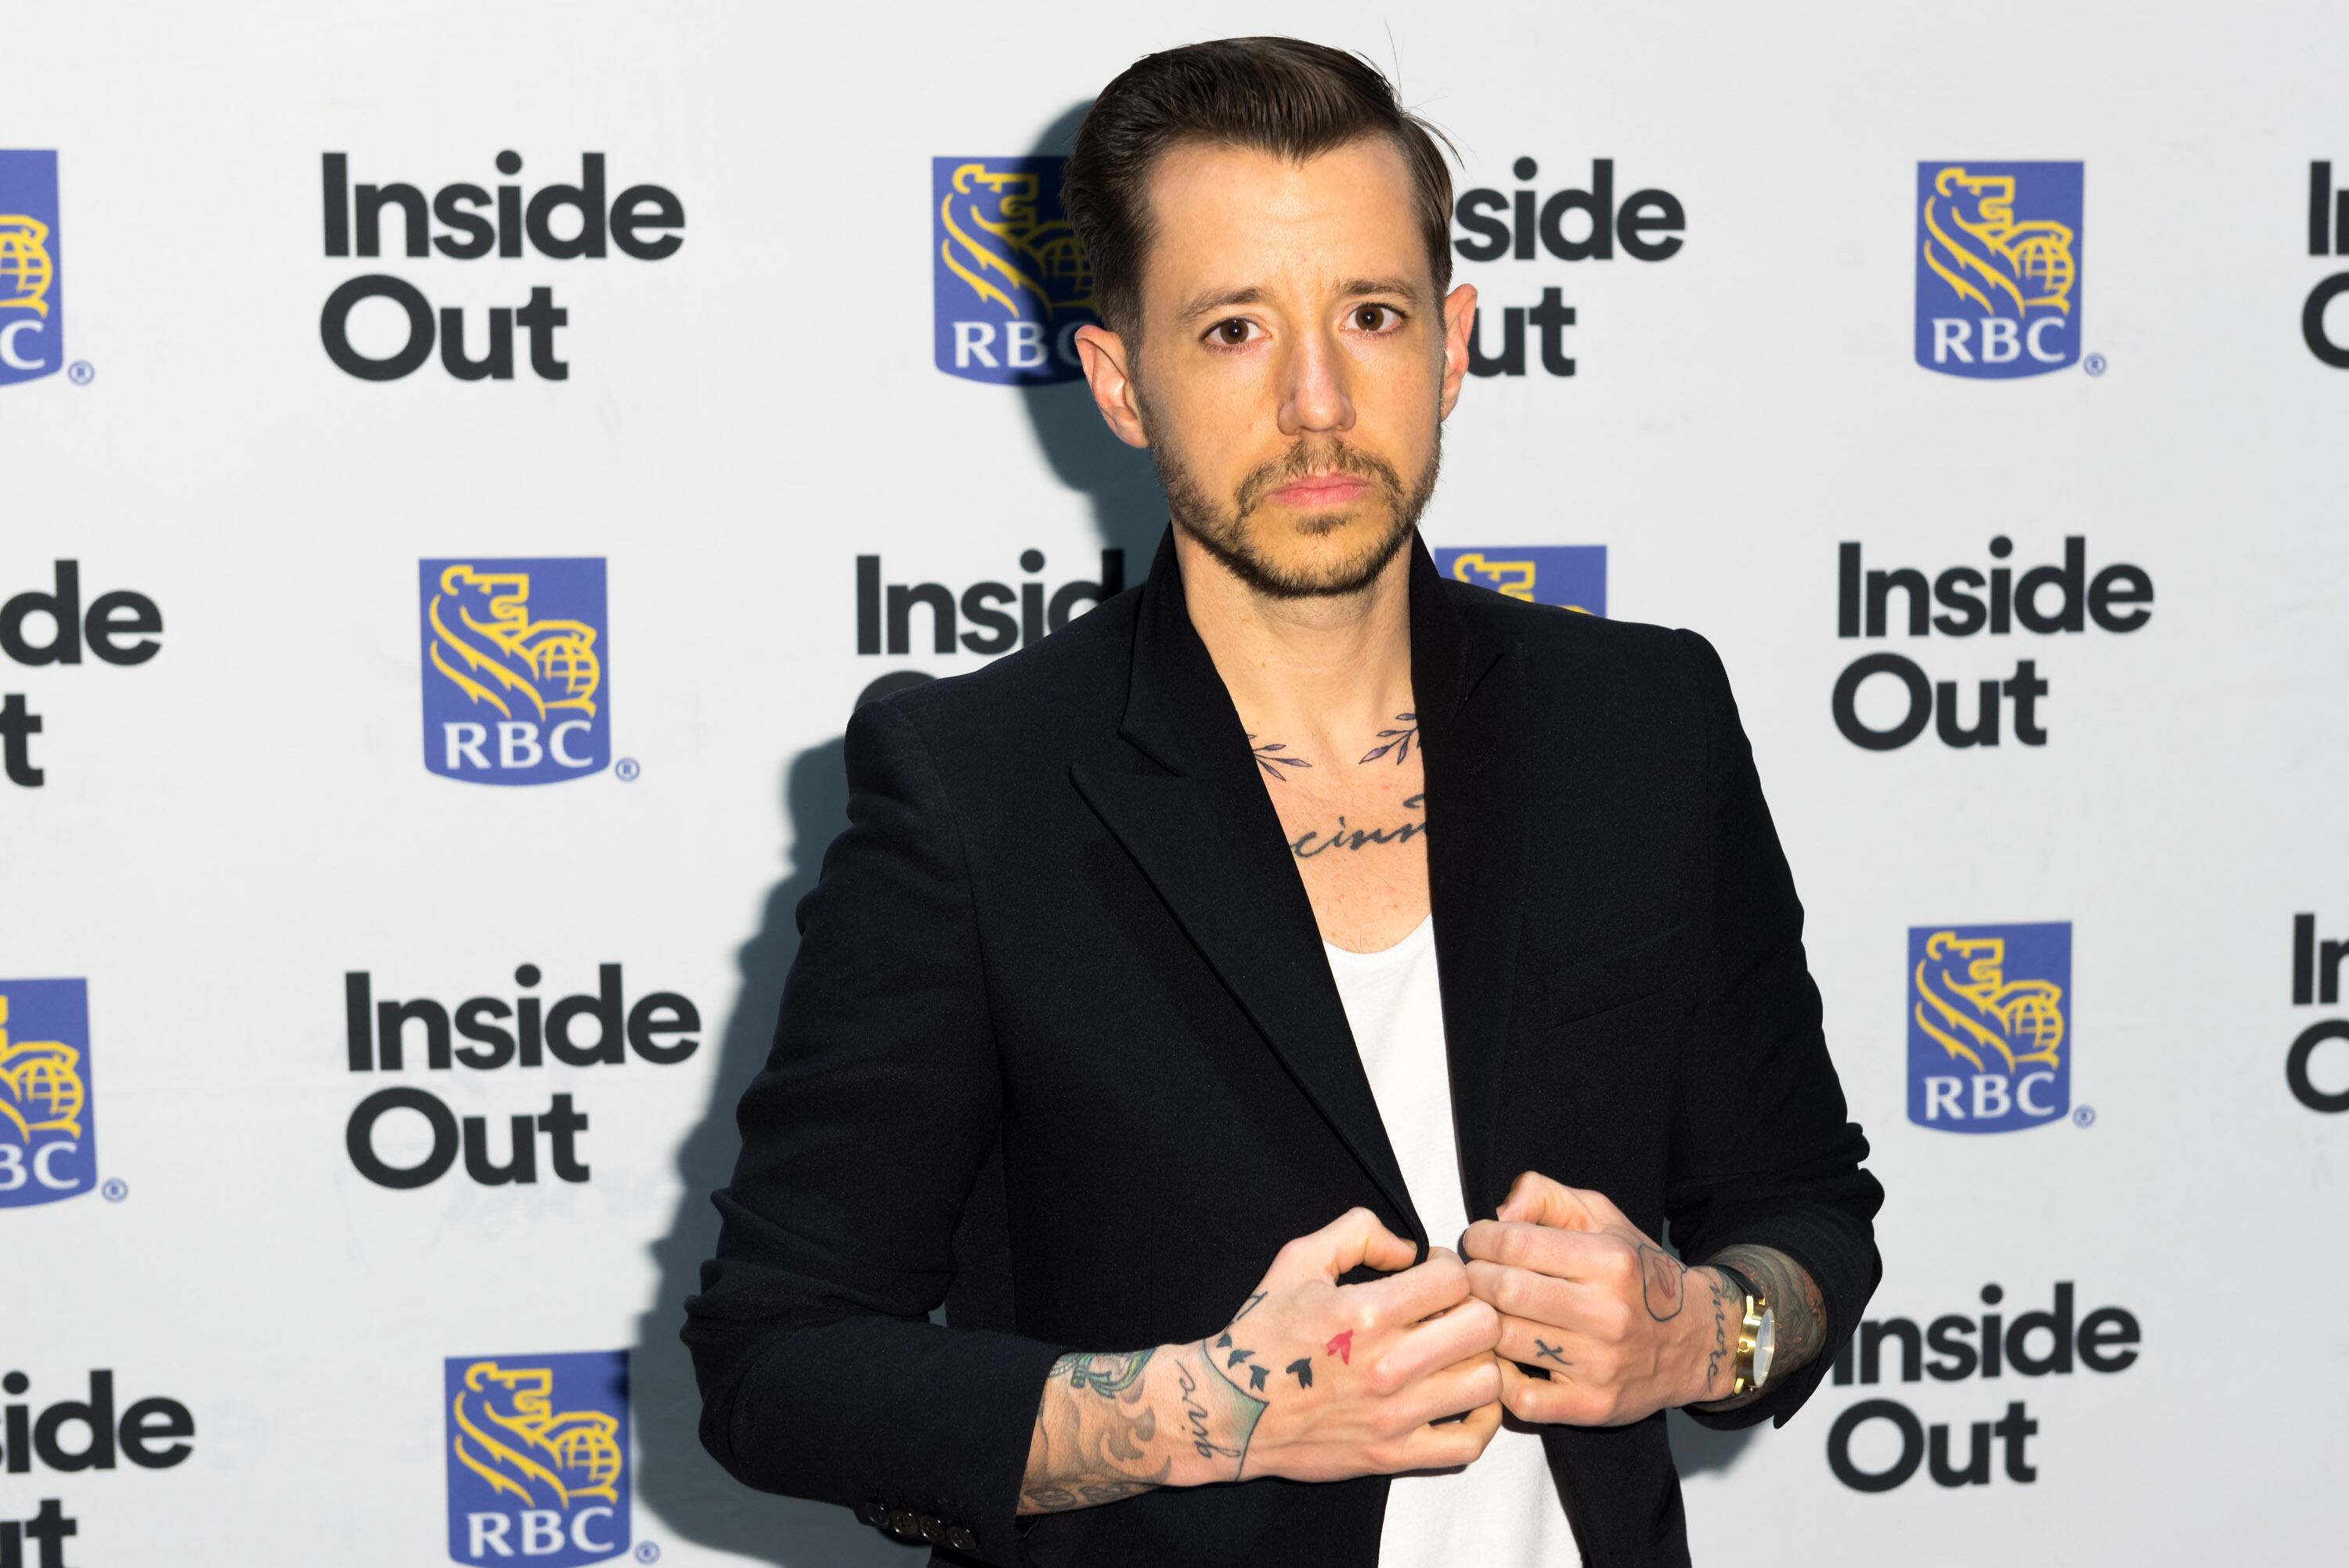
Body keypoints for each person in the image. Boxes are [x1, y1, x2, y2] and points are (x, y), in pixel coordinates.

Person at [683, 35, 1882, 1568]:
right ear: (1121, 381)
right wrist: (1202, 1411)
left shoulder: (1644, 722)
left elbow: (1801, 1201)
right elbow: (778, 1362)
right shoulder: (977, 793)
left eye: (1368, 316)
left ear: (1453, 344)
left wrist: (1708, 1334)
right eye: (1236, 329)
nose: (1318, 402)